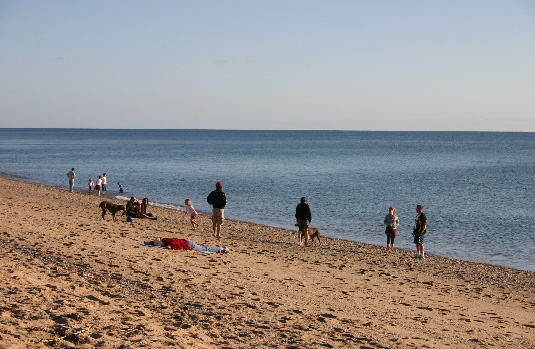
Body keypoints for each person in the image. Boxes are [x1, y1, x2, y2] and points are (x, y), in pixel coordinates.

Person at [144, 238, 229, 253]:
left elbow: (179, 247)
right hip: (187, 243)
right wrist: (147, 243)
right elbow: (150, 243)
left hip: (189, 245)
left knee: (204, 248)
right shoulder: (164, 241)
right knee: (204, 247)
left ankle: (221, 249)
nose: (161, 246)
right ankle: (220, 248)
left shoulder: (169, 241)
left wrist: (171, 247)